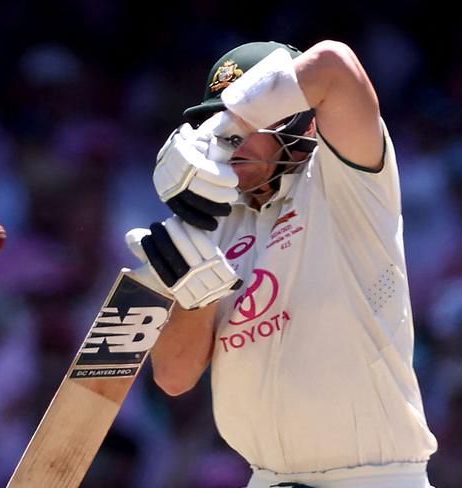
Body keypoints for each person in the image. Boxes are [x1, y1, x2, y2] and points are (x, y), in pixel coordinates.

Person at [125, 40, 438, 487]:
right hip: (266, 479)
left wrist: (229, 123)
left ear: (296, 118)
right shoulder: (214, 219)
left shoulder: (345, 181)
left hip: (376, 477)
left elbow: (334, 64)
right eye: (211, 128)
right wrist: (194, 281)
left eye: (243, 127)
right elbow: (175, 377)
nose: (225, 144)